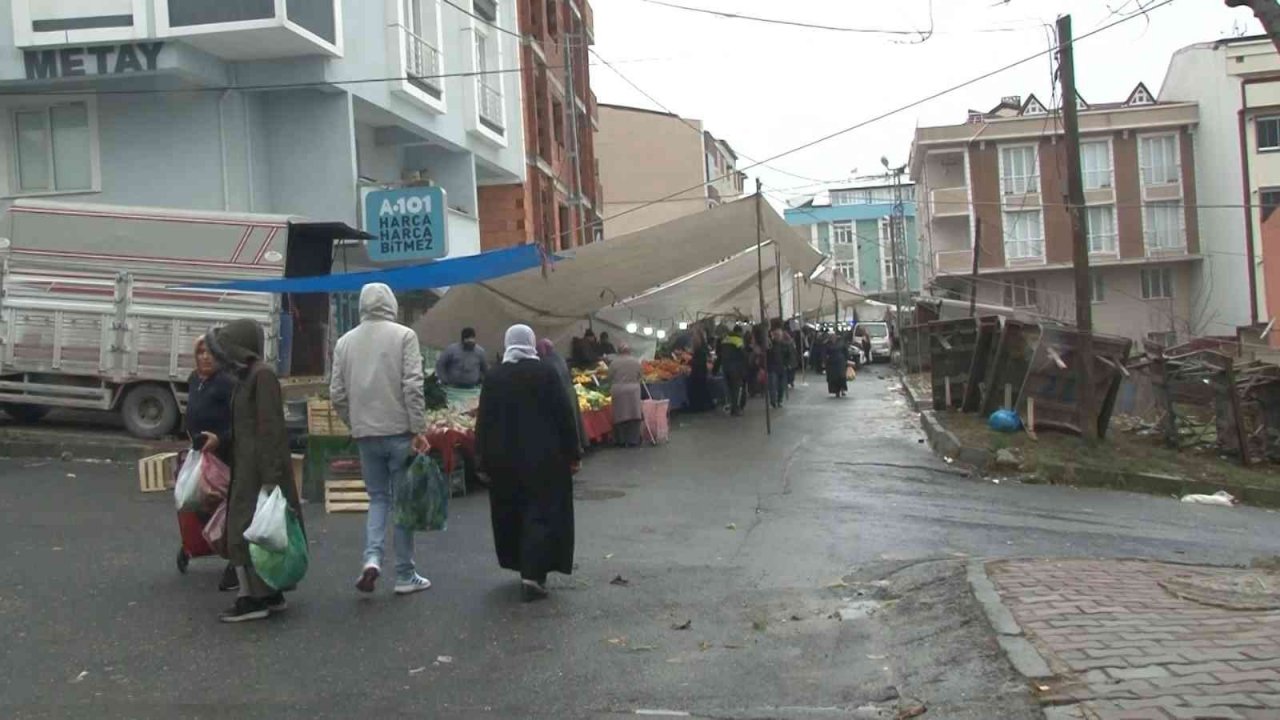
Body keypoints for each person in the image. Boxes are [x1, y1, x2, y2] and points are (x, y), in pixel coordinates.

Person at [331, 283, 431, 597]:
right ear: (390, 303)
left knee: (377, 499)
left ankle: (372, 558)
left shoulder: (344, 342)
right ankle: (405, 573)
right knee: (402, 504)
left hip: (365, 435)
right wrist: (418, 429)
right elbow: (413, 386)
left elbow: (336, 393)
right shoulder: (404, 336)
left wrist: (355, 422)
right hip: (400, 433)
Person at [205, 319, 303, 623]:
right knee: (251, 530)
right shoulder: (249, 376)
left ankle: (252, 599)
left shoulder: (261, 377)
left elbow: (270, 430)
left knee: (245, 532)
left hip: (258, 472)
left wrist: (271, 480)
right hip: (248, 468)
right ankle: (266, 593)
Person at [476, 325, 580, 602]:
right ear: (531, 343)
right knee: (541, 512)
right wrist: (573, 453)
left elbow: (483, 421)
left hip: (503, 460)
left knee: (513, 512)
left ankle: (523, 566)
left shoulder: (495, 376)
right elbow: (564, 415)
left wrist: (482, 461)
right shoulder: (546, 373)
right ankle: (533, 573)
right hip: (544, 458)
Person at [186, 336, 239, 593]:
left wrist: (221, 440)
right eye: (200, 352)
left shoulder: (227, 384)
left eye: (210, 353)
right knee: (199, 503)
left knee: (228, 509)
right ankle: (206, 545)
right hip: (202, 455)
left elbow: (240, 421)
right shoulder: (194, 380)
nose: (204, 357)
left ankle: (235, 561)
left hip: (226, 456)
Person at [537, 338, 586, 454]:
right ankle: (578, 446)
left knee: (565, 421)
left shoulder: (547, 362)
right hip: (569, 391)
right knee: (573, 420)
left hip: (560, 393)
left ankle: (570, 449)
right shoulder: (559, 358)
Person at [608, 345, 645, 447]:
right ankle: (633, 440)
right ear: (629, 351)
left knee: (619, 415)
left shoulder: (614, 363)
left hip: (618, 390)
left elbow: (609, 376)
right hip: (633, 390)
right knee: (634, 415)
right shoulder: (636, 361)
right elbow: (641, 375)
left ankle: (621, 440)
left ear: (619, 352)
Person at [714, 327, 748, 416]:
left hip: (725, 368)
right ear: (740, 332)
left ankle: (732, 407)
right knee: (736, 389)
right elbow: (743, 354)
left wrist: (715, 370)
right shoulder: (738, 340)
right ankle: (735, 409)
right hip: (736, 368)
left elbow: (719, 356)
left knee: (729, 389)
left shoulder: (725, 340)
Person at [686, 329, 713, 413]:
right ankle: (703, 405)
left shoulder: (700, 349)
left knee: (697, 388)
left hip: (698, 371)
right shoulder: (703, 348)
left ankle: (697, 407)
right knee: (701, 388)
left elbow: (698, 360)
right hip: (701, 371)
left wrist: (690, 360)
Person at [766, 327, 786, 409]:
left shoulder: (783, 345)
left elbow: (787, 355)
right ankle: (773, 401)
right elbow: (766, 356)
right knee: (773, 385)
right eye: (777, 335)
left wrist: (787, 364)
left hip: (781, 367)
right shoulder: (770, 345)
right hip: (772, 368)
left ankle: (779, 400)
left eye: (780, 335)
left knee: (781, 386)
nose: (779, 337)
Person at [825, 332, 850, 398]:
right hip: (832, 363)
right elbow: (825, 352)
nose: (833, 338)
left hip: (840, 362)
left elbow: (846, 351)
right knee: (833, 378)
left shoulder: (841, 343)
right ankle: (836, 391)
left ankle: (842, 389)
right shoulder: (828, 343)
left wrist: (847, 359)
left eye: (834, 337)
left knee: (841, 376)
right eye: (831, 337)